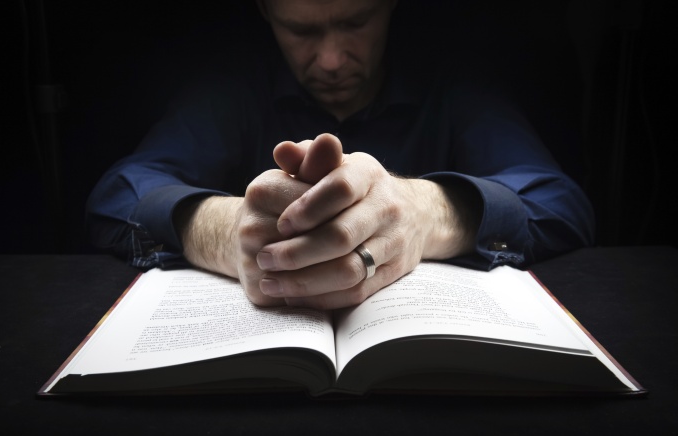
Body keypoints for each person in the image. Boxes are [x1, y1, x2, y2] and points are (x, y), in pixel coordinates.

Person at [85, 0, 595, 310]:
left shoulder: (454, 85)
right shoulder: (232, 88)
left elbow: (559, 199)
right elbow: (121, 192)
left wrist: (424, 211)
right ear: (265, 10)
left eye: (355, 22)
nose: (330, 60)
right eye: (302, 31)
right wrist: (225, 229)